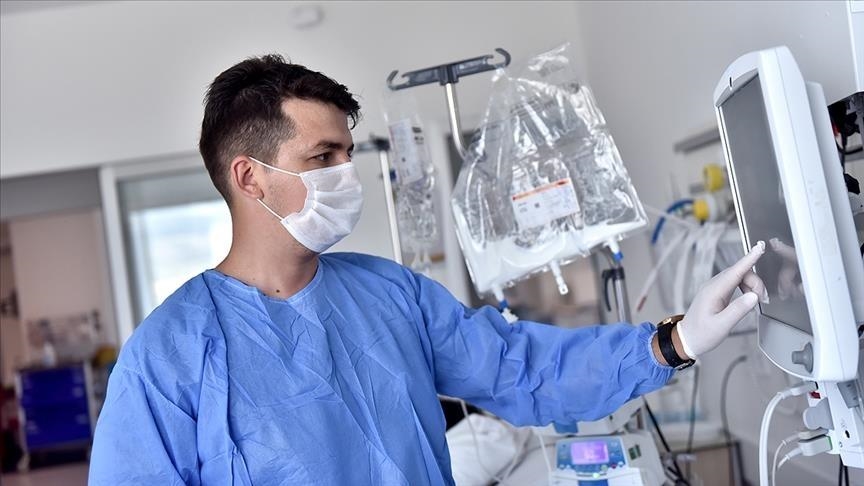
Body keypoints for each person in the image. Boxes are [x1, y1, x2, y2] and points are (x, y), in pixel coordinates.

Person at [89, 54, 767, 485]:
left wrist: (675, 341)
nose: (346, 174)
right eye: (322, 157)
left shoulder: (389, 295)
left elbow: (523, 370)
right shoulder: (168, 357)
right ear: (250, 177)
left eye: (347, 154)